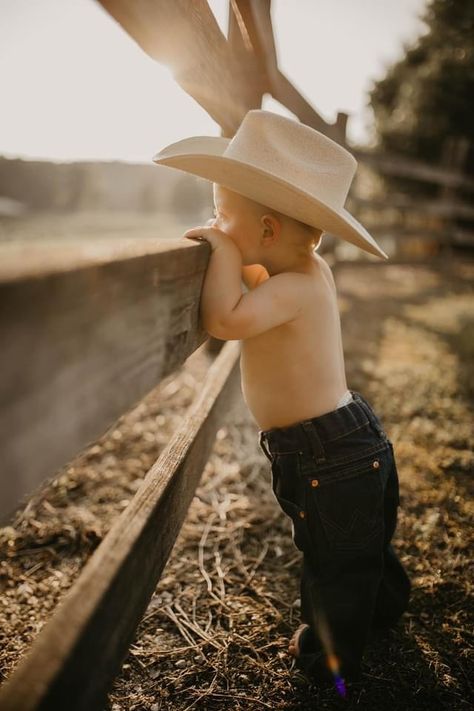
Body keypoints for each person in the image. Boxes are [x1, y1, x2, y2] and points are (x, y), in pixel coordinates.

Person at [152, 110, 411, 689]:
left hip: (328, 457)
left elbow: (224, 317)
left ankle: (330, 662)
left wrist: (219, 250)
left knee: (334, 560)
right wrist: (232, 243)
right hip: (348, 440)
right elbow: (250, 279)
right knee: (363, 539)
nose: (214, 222)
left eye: (222, 213)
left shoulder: (289, 288)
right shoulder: (304, 273)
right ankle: (387, 603)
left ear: (267, 232)